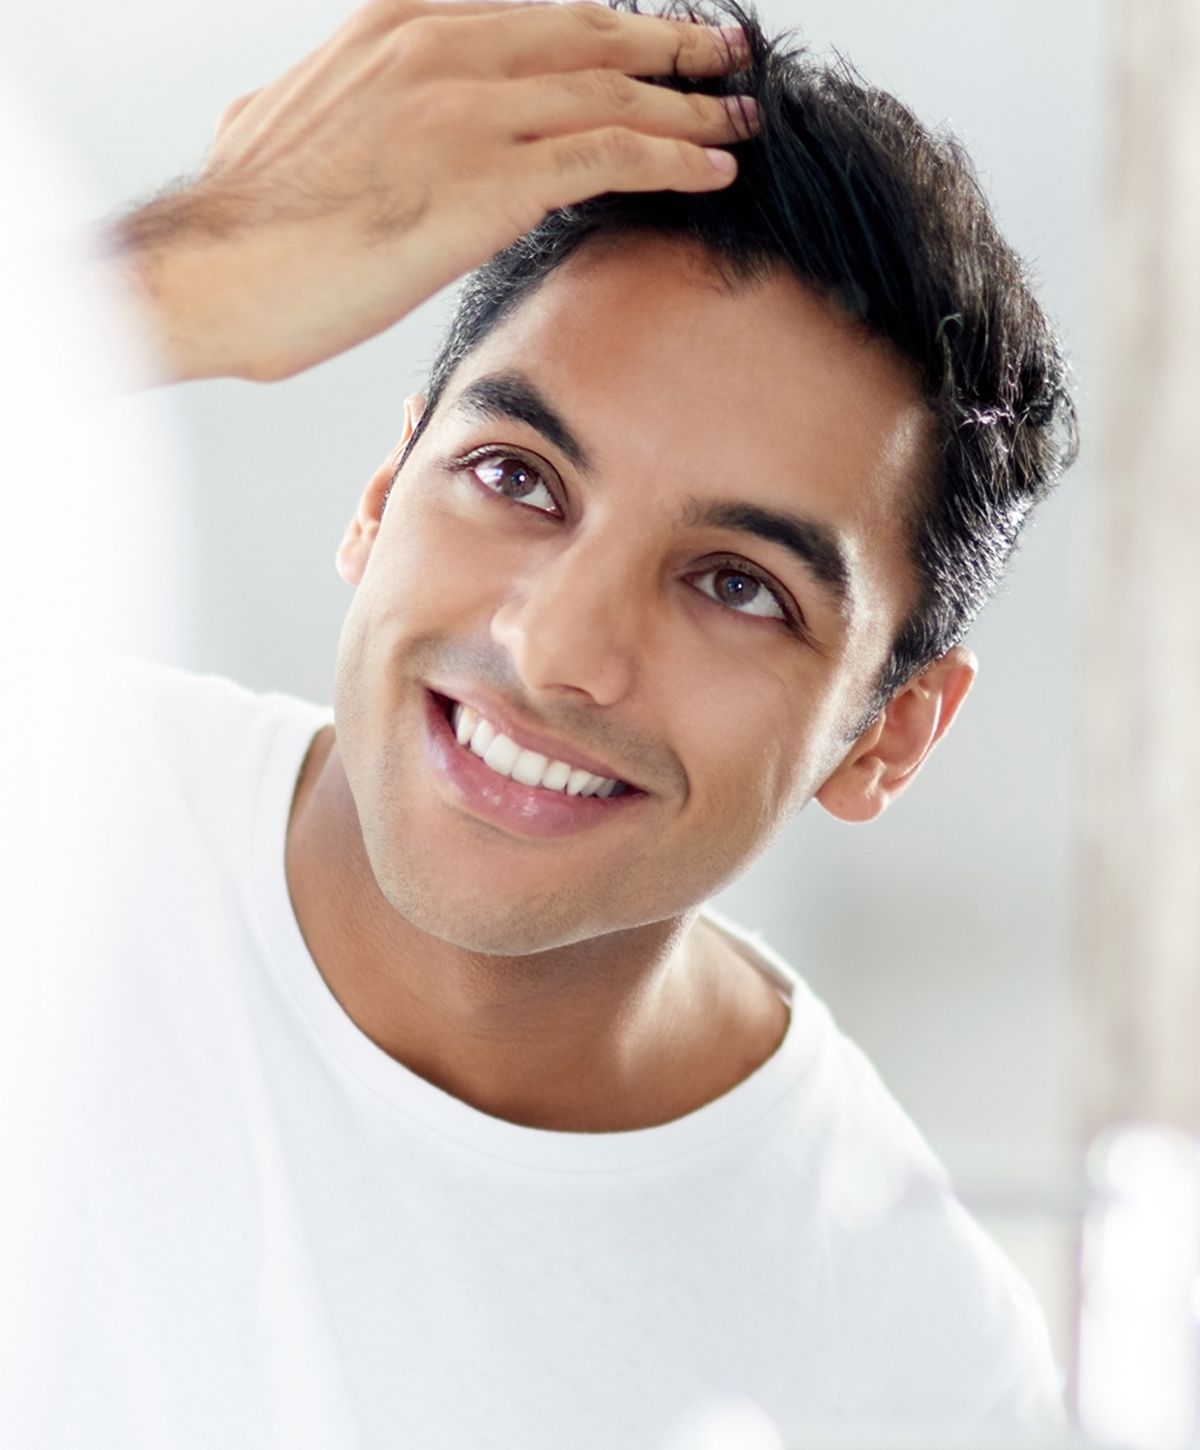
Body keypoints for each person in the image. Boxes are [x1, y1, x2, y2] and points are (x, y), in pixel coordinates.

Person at [0, 1, 1078, 1447]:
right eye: (516, 478)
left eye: (736, 586)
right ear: (384, 489)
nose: (556, 647)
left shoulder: (921, 1360)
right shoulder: (45, 799)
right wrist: (166, 274)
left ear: (890, 733)